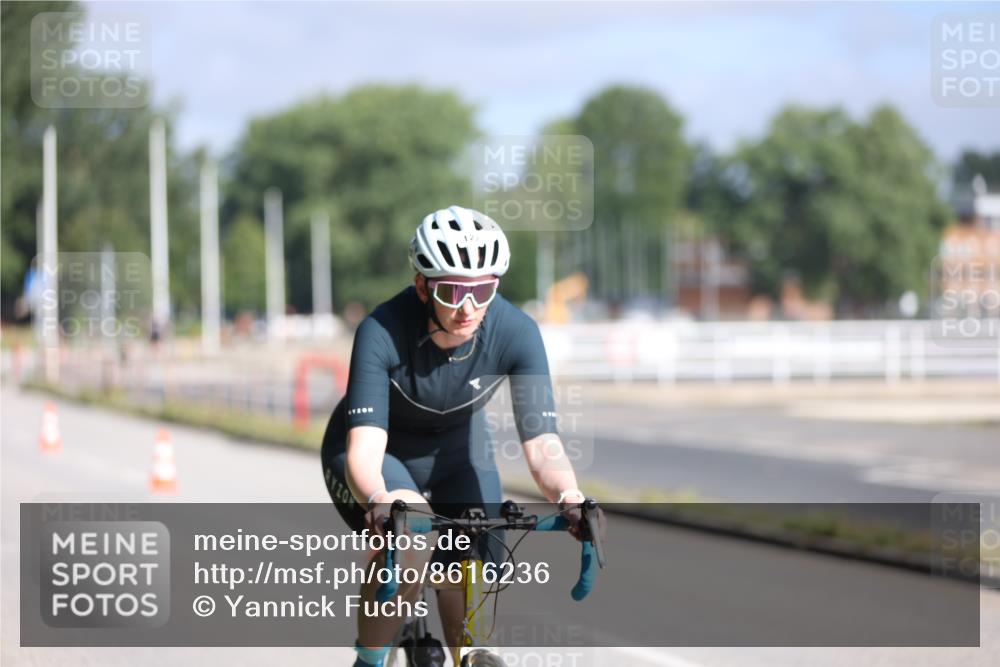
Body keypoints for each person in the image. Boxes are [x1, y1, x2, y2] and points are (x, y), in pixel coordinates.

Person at [321, 205, 591, 667]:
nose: (469, 308)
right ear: (423, 285)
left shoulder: (517, 332)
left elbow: (543, 445)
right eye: (453, 291)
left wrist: (570, 496)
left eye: (482, 290)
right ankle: (368, 660)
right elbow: (365, 451)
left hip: (458, 453)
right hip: (379, 455)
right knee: (409, 538)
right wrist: (382, 499)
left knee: (477, 564)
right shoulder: (381, 330)